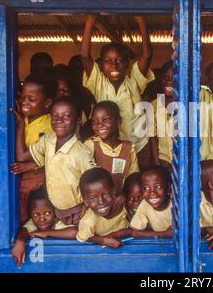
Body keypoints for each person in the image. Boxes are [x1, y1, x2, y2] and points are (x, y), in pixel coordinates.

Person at [79, 14, 155, 170]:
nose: (114, 65)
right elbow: (84, 55)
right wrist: (90, 21)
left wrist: (141, 20)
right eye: (108, 61)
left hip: (139, 144)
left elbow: (147, 55)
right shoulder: (98, 83)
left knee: (139, 183)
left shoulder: (134, 80)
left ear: (127, 65)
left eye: (119, 61)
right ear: (101, 66)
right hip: (110, 146)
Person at [12, 96, 96, 226]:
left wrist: (88, 206)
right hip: (57, 211)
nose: (59, 120)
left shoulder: (81, 153)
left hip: (78, 211)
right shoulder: (48, 140)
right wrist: (21, 124)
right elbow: (22, 156)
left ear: (78, 121)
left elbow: (93, 183)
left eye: (66, 116)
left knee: (78, 236)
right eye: (55, 116)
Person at [11, 73, 55, 223]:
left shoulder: (50, 124)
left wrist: (33, 165)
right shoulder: (19, 116)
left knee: (38, 212)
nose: (24, 102)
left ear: (47, 103)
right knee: (21, 213)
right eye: (22, 96)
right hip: (20, 177)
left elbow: (54, 154)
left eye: (31, 99)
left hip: (38, 177)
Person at [11, 187, 77, 268]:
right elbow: (24, 230)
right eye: (35, 214)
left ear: (55, 211)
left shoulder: (59, 221)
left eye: (47, 213)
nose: (42, 219)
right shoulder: (33, 222)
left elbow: (75, 232)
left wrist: (46, 233)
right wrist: (20, 241)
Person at [84, 101, 139, 190]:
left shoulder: (129, 148)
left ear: (118, 120)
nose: (99, 125)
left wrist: (123, 195)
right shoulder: (90, 145)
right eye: (94, 121)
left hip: (120, 199)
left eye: (105, 119)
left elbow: (132, 178)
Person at [76, 167, 130, 248]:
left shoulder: (123, 201)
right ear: (86, 201)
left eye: (106, 194)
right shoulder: (88, 221)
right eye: (93, 198)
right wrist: (103, 240)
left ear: (113, 192)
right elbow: (86, 237)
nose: (101, 201)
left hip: (130, 240)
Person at [130, 166, 173, 237]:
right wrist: (164, 234)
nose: (152, 192)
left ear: (168, 188)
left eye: (158, 186)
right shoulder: (145, 204)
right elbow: (134, 231)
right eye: (146, 188)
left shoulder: (177, 201)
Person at [150, 61, 174, 171]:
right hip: (163, 159)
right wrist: (156, 161)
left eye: (174, 77)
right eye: (166, 77)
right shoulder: (153, 105)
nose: (169, 81)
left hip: (182, 159)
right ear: (160, 79)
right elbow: (153, 136)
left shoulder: (187, 105)